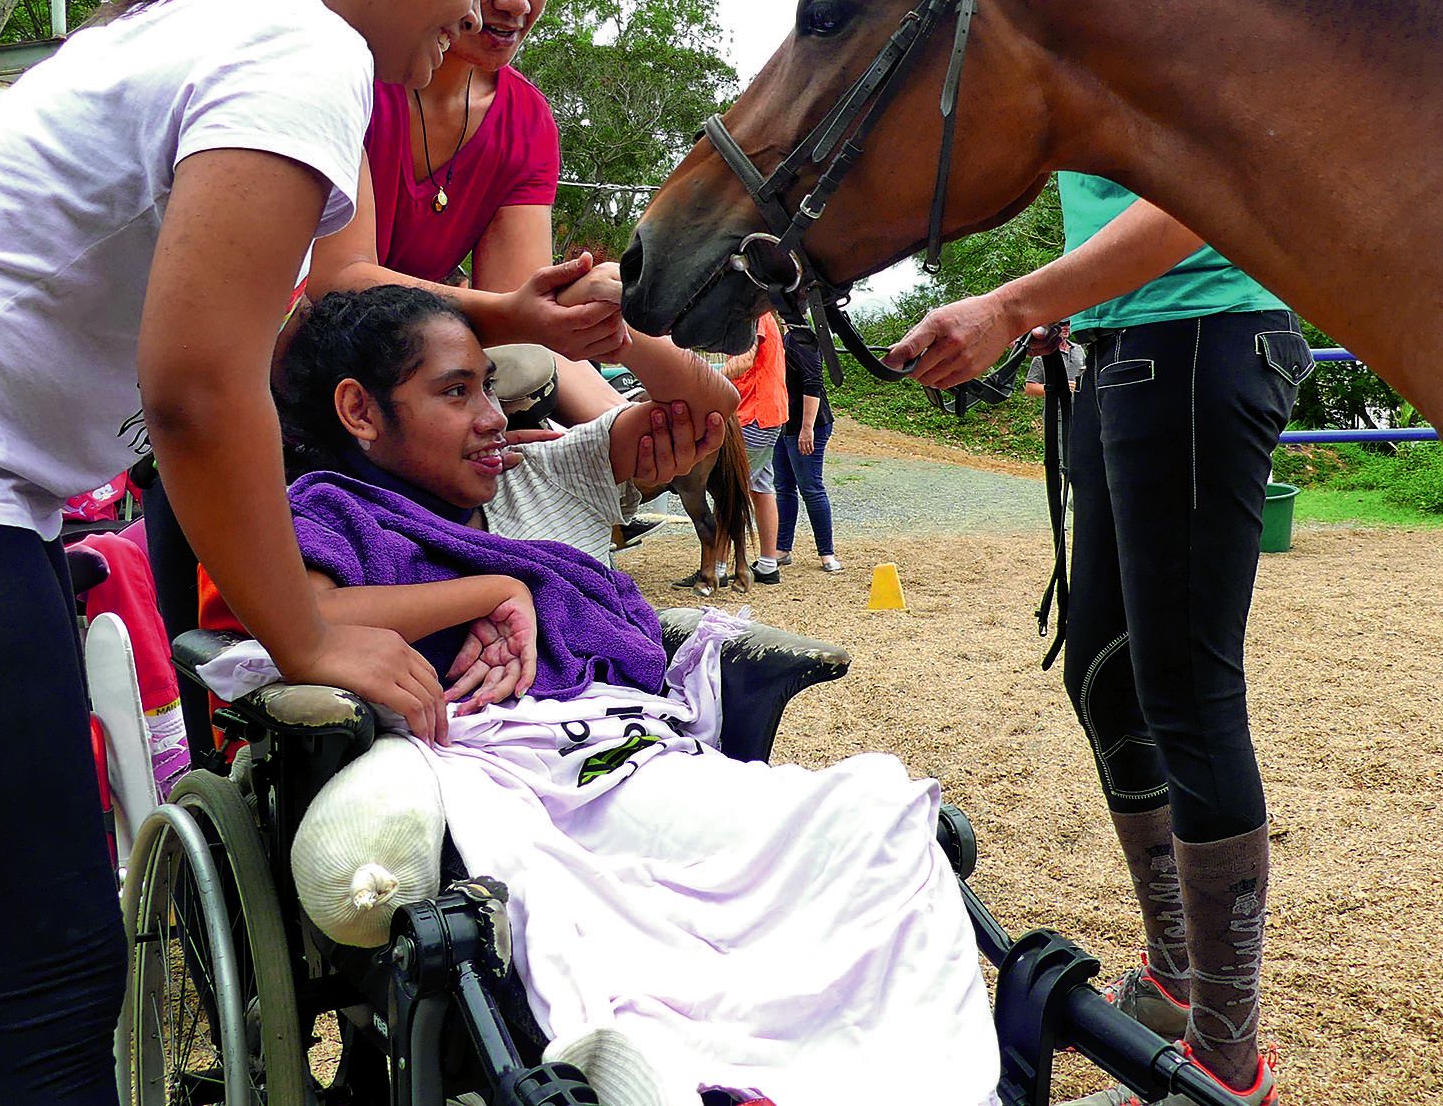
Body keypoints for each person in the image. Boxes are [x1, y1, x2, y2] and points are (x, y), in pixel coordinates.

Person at [0, 0, 623, 1106]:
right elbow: (199, 384)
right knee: (53, 972)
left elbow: (230, 347)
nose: (482, 6)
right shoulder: (305, 50)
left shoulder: (229, 17)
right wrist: (304, 634)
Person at [198, 284, 998, 1102]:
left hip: (616, 746)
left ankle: (894, 1073)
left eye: (489, 387)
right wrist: (489, 589)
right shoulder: (334, 508)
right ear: (360, 412)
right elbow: (306, 617)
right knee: (598, 915)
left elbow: (707, 409)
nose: (491, 416)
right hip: (498, 775)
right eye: (455, 390)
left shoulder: (532, 479)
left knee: (865, 812)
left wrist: (593, 328)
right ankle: (699, 1070)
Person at [887, 0, 1311, 1106]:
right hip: (1113, 344)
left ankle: (1224, 1051)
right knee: (1105, 671)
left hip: (1202, 332)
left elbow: (1200, 200)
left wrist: (1016, 305)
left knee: (1187, 687)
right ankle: (1181, 967)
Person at [305, 0, 625, 426]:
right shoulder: (359, 73)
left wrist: (623, 425)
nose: (515, 1)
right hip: (302, 374)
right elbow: (337, 281)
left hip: (411, 389)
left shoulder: (526, 121)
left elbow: (523, 321)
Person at [723, 309, 789, 584]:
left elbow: (745, 359)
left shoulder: (755, 313)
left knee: (730, 490)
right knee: (761, 485)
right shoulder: (759, 313)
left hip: (755, 414)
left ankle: (714, 569)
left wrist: (704, 377)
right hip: (765, 412)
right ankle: (767, 564)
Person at [773, 317, 841, 572]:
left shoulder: (803, 339)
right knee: (784, 487)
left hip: (808, 424)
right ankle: (782, 548)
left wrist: (806, 429)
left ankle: (827, 553)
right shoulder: (783, 338)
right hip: (784, 423)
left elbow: (813, 385)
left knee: (811, 487)